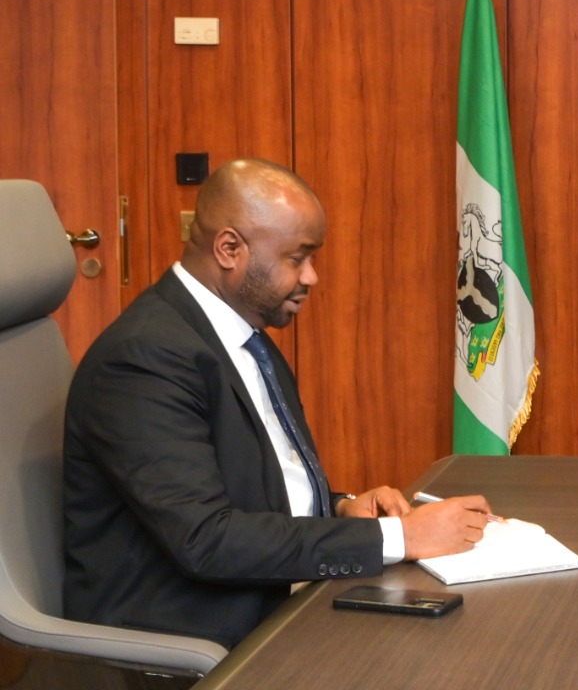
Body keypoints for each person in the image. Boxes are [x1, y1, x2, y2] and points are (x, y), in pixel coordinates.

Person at [63, 158, 494, 648]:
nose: (311, 277)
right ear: (229, 249)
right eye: (296, 258)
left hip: (273, 602)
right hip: (188, 642)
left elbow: (254, 488)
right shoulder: (142, 359)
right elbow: (206, 539)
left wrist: (341, 508)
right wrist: (402, 538)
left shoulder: (244, 333)